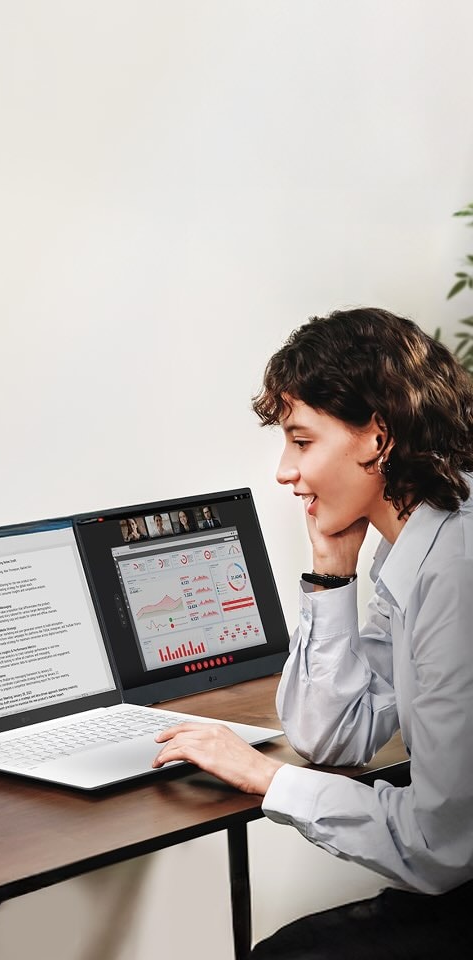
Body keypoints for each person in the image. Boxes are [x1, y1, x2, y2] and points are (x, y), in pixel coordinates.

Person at [153, 308, 473, 956]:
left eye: (301, 442)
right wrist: (332, 575)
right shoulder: (421, 541)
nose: (283, 470)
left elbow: (441, 847)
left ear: (377, 437)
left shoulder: (456, 564)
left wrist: (266, 777)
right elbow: (333, 736)